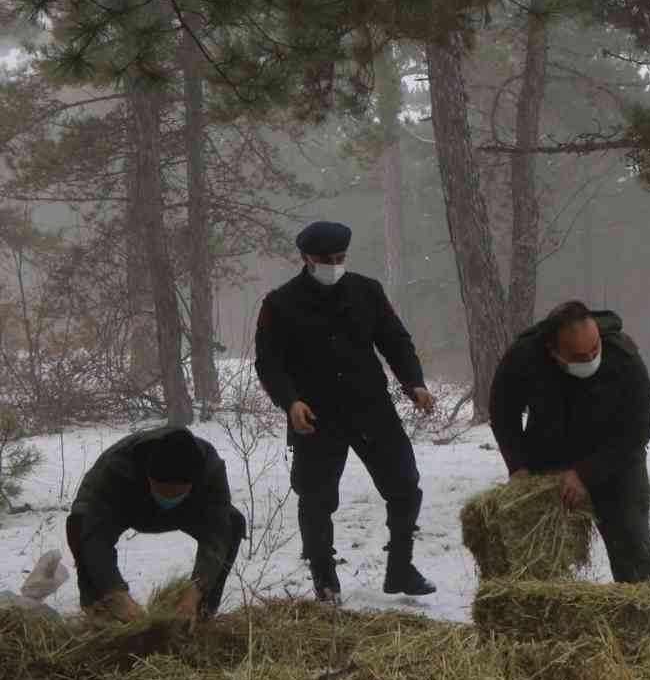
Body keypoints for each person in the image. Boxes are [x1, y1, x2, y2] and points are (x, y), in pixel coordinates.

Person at [254, 220, 437, 603]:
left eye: (340, 258)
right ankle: (324, 577)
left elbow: (395, 340)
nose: (334, 265)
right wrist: (290, 402)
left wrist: (414, 382)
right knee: (316, 497)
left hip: (372, 408)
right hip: (314, 417)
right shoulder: (279, 303)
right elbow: (269, 365)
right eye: (325, 259)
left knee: (405, 485)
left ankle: (401, 567)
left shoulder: (366, 291)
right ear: (306, 258)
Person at [489, 300, 650, 586]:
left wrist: (585, 473)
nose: (591, 359)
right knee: (536, 554)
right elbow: (502, 412)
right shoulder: (524, 356)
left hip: (615, 460)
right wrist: (517, 466)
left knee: (632, 543)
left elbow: (638, 430)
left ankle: (643, 618)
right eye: (579, 356)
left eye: (595, 350)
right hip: (548, 458)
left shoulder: (624, 358)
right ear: (553, 351)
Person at [64, 427, 247, 622]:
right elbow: (96, 537)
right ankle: (101, 606)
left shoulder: (210, 468)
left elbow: (216, 534)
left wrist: (195, 592)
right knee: (80, 522)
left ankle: (199, 611)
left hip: (187, 511)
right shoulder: (116, 468)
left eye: (176, 493)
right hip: (130, 505)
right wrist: (116, 593)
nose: (168, 498)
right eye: (163, 491)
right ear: (148, 476)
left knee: (232, 522)